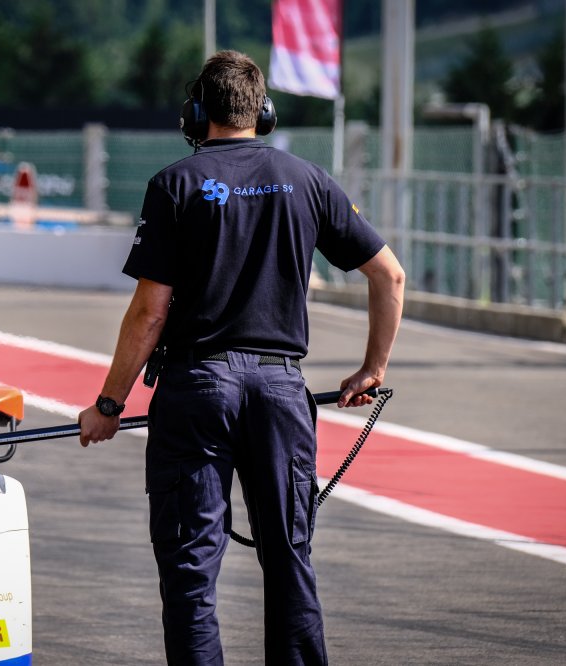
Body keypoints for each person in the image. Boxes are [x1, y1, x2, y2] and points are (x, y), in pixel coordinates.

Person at [77, 50, 405, 665]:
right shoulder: (308, 180)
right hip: (281, 393)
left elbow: (149, 313)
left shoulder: (175, 184)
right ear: (264, 112)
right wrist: (372, 369)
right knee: (289, 559)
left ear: (196, 112)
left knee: (191, 570)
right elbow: (389, 275)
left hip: (197, 390)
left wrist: (109, 404)